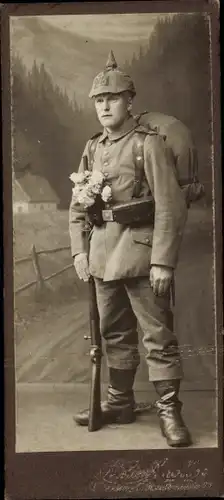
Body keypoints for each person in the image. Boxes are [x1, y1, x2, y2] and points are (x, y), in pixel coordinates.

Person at [69, 50, 192, 447]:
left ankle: (170, 411)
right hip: (103, 257)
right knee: (114, 334)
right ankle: (119, 402)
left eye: (113, 98)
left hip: (142, 256)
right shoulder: (92, 148)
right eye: (99, 101)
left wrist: (163, 262)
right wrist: (79, 251)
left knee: (158, 335)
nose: (104, 106)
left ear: (129, 101)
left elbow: (170, 206)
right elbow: (78, 206)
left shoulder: (146, 145)